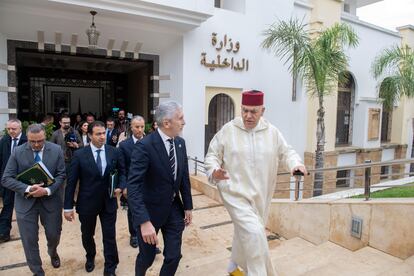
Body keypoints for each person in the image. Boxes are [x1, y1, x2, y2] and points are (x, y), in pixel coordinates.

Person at [205, 90, 307, 276]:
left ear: (263, 111)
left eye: (253, 111)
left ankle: (234, 267)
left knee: (246, 233)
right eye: (244, 111)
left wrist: (296, 164)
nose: (248, 116)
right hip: (234, 193)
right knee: (254, 234)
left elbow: (287, 152)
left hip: (261, 195)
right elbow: (212, 155)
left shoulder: (272, 132)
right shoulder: (229, 130)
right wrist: (214, 171)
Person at [128, 101, 193, 276]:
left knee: (173, 256)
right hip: (149, 212)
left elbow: (183, 177)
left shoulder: (180, 143)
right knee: (147, 257)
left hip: (173, 209)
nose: (184, 122)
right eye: (180, 118)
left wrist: (188, 206)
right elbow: (133, 186)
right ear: (166, 123)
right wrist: (143, 221)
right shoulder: (145, 146)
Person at [1, 124, 66, 276]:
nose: (36, 145)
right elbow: (6, 178)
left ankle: (53, 251)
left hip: (50, 201)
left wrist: (47, 190)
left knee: (54, 235)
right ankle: (37, 271)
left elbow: (61, 175)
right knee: (29, 240)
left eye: (40, 141)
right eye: (32, 141)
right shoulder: (17, 152)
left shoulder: (56, 150)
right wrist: (28, 188)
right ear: (27, 137)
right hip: (25, 203)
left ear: (45, 137)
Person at [64, 121, 125, 276]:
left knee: (109, 236)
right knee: (87, 234)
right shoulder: (79, 155)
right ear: (89, 135)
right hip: (87, 203)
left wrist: (120, 185)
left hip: (108, 202)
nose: (102, 136)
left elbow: (123, 173)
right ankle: (90, 256)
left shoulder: (114, 152)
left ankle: (110, 267)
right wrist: (68, 207)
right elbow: (71, 182)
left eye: (104, 133)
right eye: (98, 134)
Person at [0, 119, 27, 243]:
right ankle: (3, 232)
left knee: (27, 207)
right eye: (9, 129)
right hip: (8, 180)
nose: (11, 131)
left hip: (24, 180)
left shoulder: (27, 141)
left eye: (14, 129)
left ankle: (28, 231)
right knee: (7, 205)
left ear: (20, 129)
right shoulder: (4, 141)